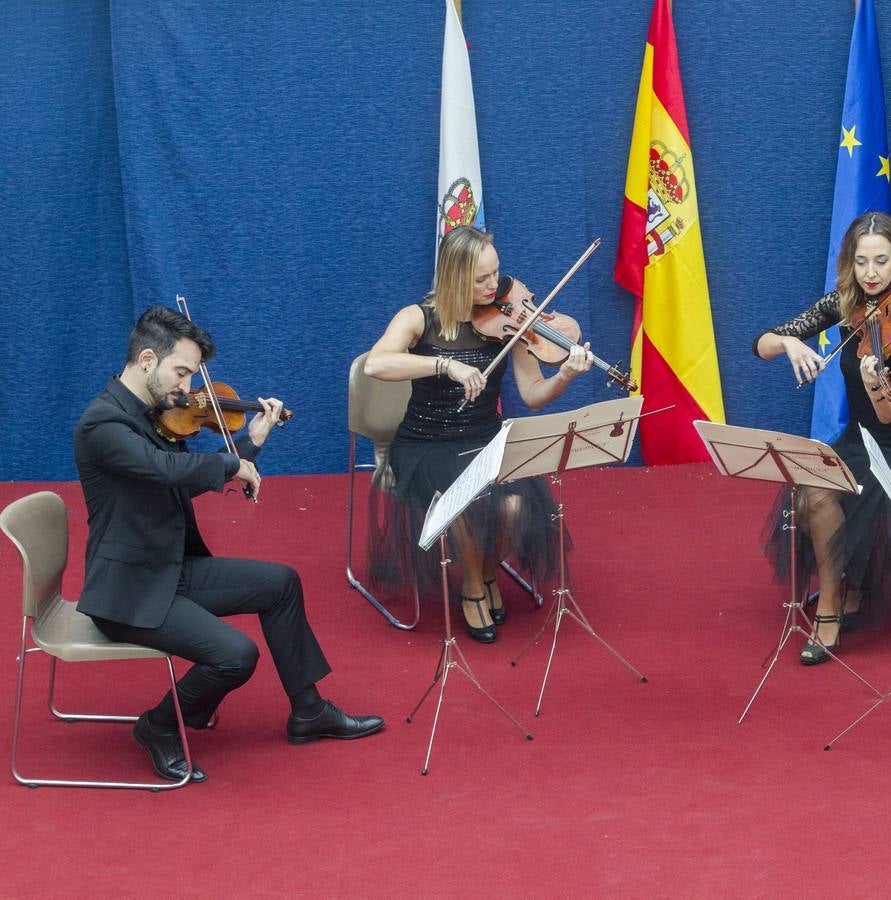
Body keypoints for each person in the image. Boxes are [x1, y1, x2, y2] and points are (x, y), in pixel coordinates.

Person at [75, 306, 384, 785]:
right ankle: (157, 727)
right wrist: (231, 466)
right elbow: (165, 471)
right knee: (236, 656)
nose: (186, 386)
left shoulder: (154, 416)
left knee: (280, 583)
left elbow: (178, 484)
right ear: (146, 360)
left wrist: (250, 444)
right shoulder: (103, 426)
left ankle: (309, 711)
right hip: (129, 592)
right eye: (180, 372)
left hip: (168, 569)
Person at [364, 226, 592, 643]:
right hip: (426, 443)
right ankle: (473, 589)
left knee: (518, 505)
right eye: (481, 279)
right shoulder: (419, 317)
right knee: (471, 500)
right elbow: (375, 365)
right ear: (454, 277)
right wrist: (443, 365)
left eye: (496, 273)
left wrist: (564, 375)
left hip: (485, 438)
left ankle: (486, 575)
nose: (495, 286)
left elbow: (533, 394)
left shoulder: (510, 318)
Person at [753, 212, 891, 665]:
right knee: (809, 491)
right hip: (859, 441)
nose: (872, 273)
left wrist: (876, 384)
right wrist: (790, 344)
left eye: (881, 261)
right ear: (851, 263)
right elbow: (761, 344)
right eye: (862, 262)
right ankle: (841, 588)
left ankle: (830, 607)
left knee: (828, 493)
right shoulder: (844, 304)